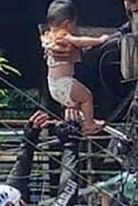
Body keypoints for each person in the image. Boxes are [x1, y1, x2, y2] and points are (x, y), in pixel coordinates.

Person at [41, 0, 108, 134]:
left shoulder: (48, 37)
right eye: (74, 25)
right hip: (64, 83)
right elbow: (80, 41)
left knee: (77, 102)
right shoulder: (63, 35)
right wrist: (99, 40)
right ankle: (89, 124)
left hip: (53, 85)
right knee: (87, 97)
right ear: (67, 24)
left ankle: (82, 118)